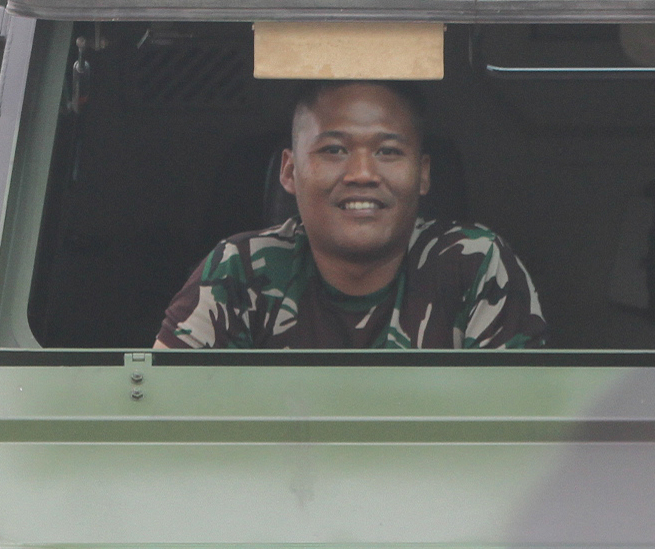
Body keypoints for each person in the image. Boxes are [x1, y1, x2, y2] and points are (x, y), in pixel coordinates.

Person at [157, 81, 546, 349]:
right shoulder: (239, 272)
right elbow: (162, 424)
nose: (362, 174)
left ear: (423, 174)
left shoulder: (475, 266)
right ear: (290, 172)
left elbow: (513, 438)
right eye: (334, 150)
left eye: (388, 152)